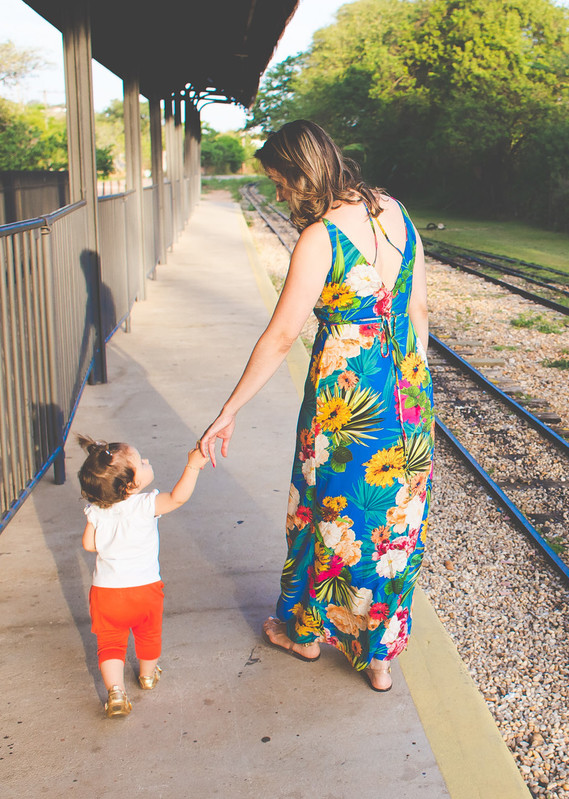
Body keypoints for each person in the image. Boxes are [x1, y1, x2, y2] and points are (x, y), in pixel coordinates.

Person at [198, 120, 434, 692]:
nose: (278, 194)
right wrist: (410, 387)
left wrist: (229, 409)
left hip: (345, 404)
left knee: (325, 515)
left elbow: (281, 336)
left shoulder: (321, 237)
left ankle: (305, 634)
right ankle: (377, 658)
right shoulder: (397, 212)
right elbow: (420, 312)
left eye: (279, 181)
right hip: (406, 393)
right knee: (392, 524)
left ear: (301, 173)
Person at [77, 435, 208, 718]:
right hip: (144, 590)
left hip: (106, 593)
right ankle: (147, 676)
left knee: (110, 642)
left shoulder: (97, 510)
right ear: (130, 485)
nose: (147, 462)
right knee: (148, 634)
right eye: (141, 461)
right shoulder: (145, 504)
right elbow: (177, 497)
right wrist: (193, 467)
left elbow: (89, 545)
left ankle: (115, 691)